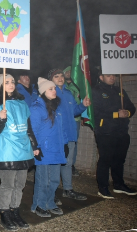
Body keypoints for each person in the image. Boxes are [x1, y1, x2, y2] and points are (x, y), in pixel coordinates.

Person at [0, 73, 39, 231]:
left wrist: (34, 146)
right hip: (6, 150)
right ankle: (5, 213)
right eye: (6, 82)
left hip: (23, 149)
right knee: (7, 184)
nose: (11, 84)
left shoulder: (22, 103)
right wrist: (0, 118)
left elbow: (28, 128)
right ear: (0, 85)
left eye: (12, 82)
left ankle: (15, 210)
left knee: (20, 184)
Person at [92, 71, 137, 198]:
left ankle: (119, 184)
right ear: (101, 77)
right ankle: (103, 187)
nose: (112, 77)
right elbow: (96, 112)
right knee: (105, 160)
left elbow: (132, 107)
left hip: (122, 131)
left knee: (119, 160)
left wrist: (127, 113)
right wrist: (116, 114)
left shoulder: (120, 90)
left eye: (114, 75)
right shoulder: (96, 91)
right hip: (105, 131)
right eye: (109, 75)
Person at [48, 68, 90, 202]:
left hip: (70, 134)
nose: (60, 78)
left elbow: (74, 112)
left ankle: (68, 189)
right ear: (51, 80)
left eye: (61, 76)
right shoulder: (49, 94)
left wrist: (83, 105)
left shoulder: (68, 93)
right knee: (54, 164)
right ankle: (50, 192)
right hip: (58, 136)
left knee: (68, 163)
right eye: (56, 76)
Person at [30, 78, 67, 218]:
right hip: (43, 150)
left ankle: (50, 203)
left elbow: (60, 128)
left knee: (55, 180)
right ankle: (39, 205)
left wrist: (64, 144)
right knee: (43, 180)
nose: (54, 91)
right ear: (43, 91)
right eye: (50, 89)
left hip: (56, 148)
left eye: (54, 88)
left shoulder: (55, 107)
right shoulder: (36, 108)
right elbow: (33, 129)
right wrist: (35, 147)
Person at [63, 66, 81, 176]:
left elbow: (81, 102)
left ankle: (71, 165)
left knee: (73, 142)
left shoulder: (78, 85)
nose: (68, 73)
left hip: (76, 118)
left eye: (70, 71)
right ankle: (63, 163)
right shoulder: (62, 86)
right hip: (65, 119)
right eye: (66, 71)